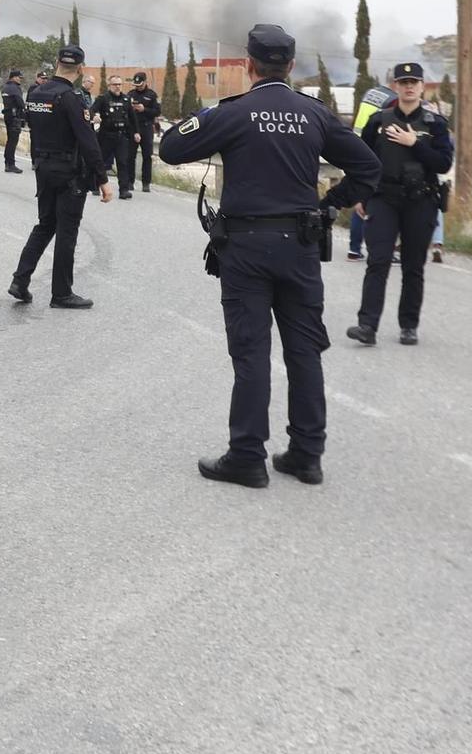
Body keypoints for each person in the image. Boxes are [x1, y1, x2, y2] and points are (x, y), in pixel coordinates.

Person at [159, 24, 380, 488]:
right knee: (304, 352)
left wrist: (209, 117)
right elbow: (368, 166)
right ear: (292, 65)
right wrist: (330, 205)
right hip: (300, 246)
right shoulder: (314, 114)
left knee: (251, 351)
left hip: (245, 249)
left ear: (248, 64)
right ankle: (306, 454)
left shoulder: (234, 111)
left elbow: (171, 147)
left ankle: (247, 457)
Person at [345, 63, 453, 348]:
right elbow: (362, 161)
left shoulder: (435, 123)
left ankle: (408, 325)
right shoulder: (379, 120)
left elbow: (444, 163)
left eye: (414, 82)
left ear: (422, 87)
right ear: (395, 85)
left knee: (412, 266)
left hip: (421, 201)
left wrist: (413, 142)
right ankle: (367, 325)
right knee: (378, 261)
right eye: (403, 81)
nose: (408, 86)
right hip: (384, 199)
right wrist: (361, 196)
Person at [8, 45, 116, 308]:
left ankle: (20, 281)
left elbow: (32, 130)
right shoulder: (71, 98)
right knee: (67, 232)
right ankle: (61, 293)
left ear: (56, 63)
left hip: (43, 169)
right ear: (80, 69)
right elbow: (87, 140)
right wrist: (102, 179)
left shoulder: (35, 93)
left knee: (44, 225)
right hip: (69, 173)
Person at [344, 84, 396, 261]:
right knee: (371, 203)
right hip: (373, 151)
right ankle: (383, 250)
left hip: (355, 147)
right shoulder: (392, 100)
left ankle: (354, 248)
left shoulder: (371, 92)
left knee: (361, 199)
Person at [91, 74, 138, 200]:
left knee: (123, 163)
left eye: (119, 84)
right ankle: (95, 185)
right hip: (106, 135)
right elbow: (92, 110)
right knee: (101, 161)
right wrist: (94, 116)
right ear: (109, 85)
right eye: (115, 84)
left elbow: (133, 118)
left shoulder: (126, 100)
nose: (117, 87)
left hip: (121, 136)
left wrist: (136, 132)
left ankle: (124, 190)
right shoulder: (103, 99)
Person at [127, 71, 161, 193]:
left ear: (145, 82)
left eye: (140, 84)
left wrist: (144, 109)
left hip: (146, 128)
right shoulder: (130, 94)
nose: (138, 87)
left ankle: (146, 183)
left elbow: (157, 111)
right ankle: (130, 181)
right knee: (130, 156)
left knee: (147, 156)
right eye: (136, 85)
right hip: (133, 128)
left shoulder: (151, 95)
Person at [1, 69, 27, 173]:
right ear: (14, 77)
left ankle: (7, 163)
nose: (20, 79)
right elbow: (20, 103)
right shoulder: (15, 88)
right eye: (19, 77)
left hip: (7, 116)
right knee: (12, 141)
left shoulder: (5, 88)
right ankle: (11, 164)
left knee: (9, 141)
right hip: (14, 117)